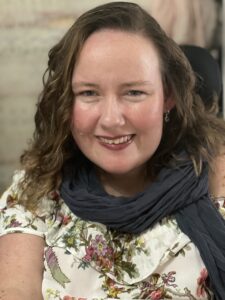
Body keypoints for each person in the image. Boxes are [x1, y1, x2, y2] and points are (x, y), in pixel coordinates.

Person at [0, 2, 225, 299]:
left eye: (134, 92)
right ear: (66, 102)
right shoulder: (33, 193)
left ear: (167, 97)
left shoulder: (215, 176)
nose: (111, 120)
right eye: (89, 93)